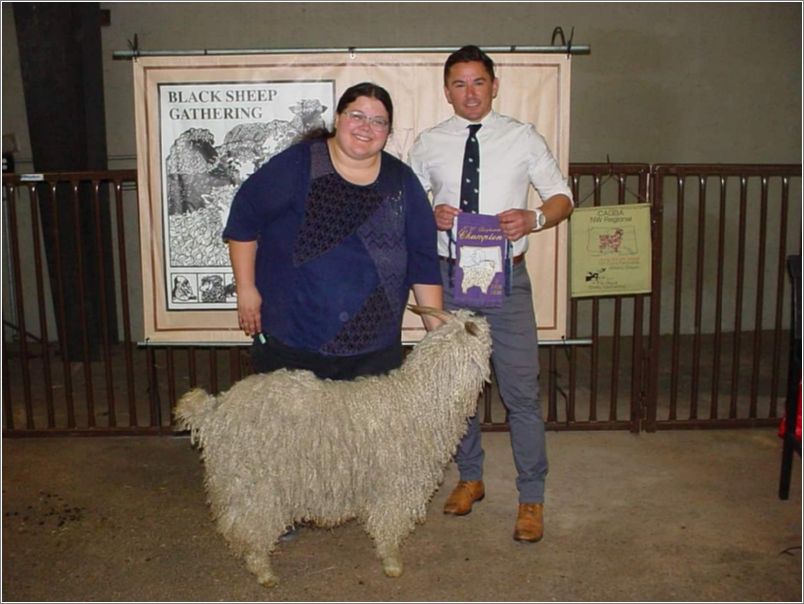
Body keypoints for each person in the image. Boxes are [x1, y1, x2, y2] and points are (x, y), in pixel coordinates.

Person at [409, 46, 574, 543]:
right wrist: (427, 214)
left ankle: (531, 499)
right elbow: (406, 204)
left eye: (478, 82)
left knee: (521, 393)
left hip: (508, 281)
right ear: (446, 91)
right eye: (459, 84)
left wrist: (535, 218)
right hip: (449, 278)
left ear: (494, 85)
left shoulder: (522, 137)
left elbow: (562, 197)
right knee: (456, 392)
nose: (470, 93)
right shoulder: (429, 142)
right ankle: (471, 479)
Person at [223, 82, 443, 383]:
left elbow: (423, 260)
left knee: (370, 431)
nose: (367, 127)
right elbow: (244, 219)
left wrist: (438, 336)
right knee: (290, 430)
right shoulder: (298, 164)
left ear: (388, 132)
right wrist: (246, 288)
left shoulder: (402, 182)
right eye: (357, 116)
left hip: (374, 348)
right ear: (338, 118)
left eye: (378, 121)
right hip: (294, 340)